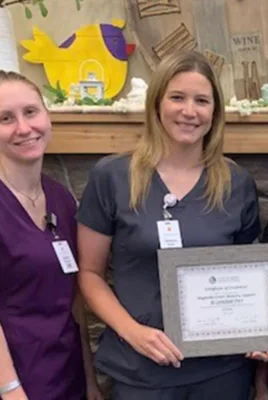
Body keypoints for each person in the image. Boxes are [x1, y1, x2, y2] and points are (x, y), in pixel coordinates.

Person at [76, 50, 265, 399]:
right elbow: (89, 274)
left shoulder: (236, 184)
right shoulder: (112, 177)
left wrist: (256, 331)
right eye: (177, 97)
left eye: (201, 101)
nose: (189, 111)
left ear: (215, 112)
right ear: (157, 104)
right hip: (142, 371)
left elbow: (247, 276)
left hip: (222, 373)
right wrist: (133, 332)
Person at [0, 70, 103, 400]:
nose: (23, 128)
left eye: (31, 112)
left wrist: (89, 380)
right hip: (7, 381)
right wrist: (12, 393)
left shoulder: (61, 199)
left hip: (65, 376)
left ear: (47, 116)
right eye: (6, 118)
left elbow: (74, 303)